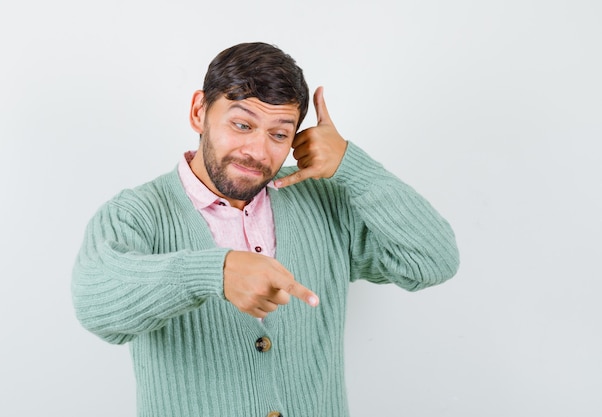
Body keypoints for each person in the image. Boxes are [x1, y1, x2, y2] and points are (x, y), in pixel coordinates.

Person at [72, 42, 459, 417]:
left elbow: (433, 260)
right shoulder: (136, 212)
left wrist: (350, 165)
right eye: (242, 124)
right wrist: (213, 273)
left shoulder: (320, 199)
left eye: (278, 134)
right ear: (198, 112)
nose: (257, 152)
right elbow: (95, 302)